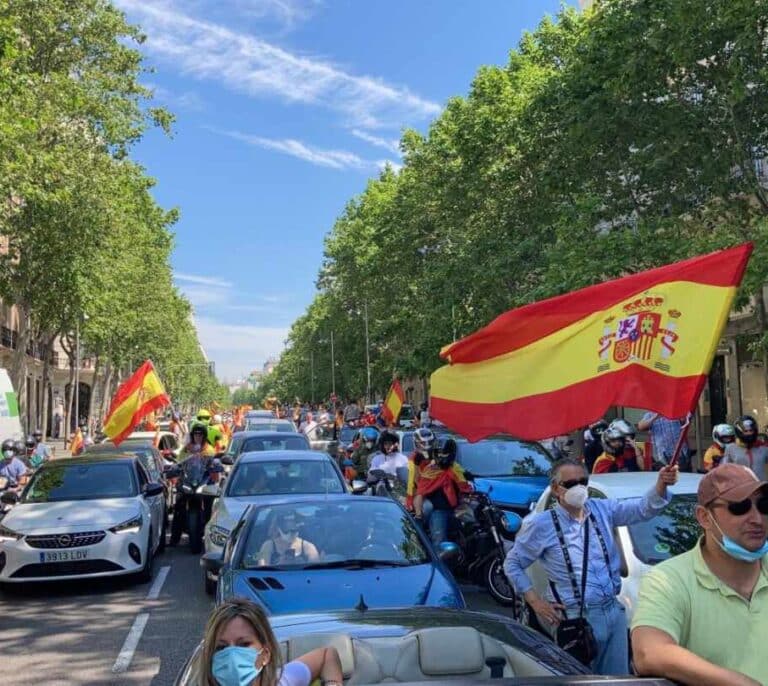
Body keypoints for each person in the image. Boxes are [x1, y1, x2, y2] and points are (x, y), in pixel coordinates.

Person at [504, 457, 678, 674]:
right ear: (556, 488)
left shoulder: (603, 509)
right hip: (577, 617)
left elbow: (643, 509)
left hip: (613, 611)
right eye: (570, 484)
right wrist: (535, 602)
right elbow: (512, 563)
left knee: (617, 679)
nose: (578, 488)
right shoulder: (541, 525)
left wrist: (661, 484)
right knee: (580, 678)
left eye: (582, 481)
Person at [631, 464, 768, 686]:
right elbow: (649, 652)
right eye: (740, 507)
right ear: (704, 517)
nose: (757, 519)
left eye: (764, 505)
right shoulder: (669, 580)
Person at [199, 598, 343, 686]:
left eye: (243, 645)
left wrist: (333, 684)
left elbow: (327, 655)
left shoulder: (283, 680)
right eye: (221, 647)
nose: (232, 655)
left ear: (265, 654)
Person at [414, 437, 472, 546]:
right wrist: (418, 514)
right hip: (439, 511)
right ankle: (440, 561)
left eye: (444, 453)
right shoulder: (430, 470)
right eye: (438, 453)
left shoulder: (456, 468)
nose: (440, 456)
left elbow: (466, 487)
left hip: (458, 509)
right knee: (440, 542)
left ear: (451, 454)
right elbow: (420, 494)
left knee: (475, 529)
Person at [169, 424, 220, 546]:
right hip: (188, 482)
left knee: (212, 505)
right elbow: (178, 462)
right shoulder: (187, 448)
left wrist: (215, 467)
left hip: (204, 483)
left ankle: (213, 535)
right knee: (179, 505)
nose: (198, 437)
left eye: (200, 434)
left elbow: (214, 465)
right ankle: (174, 538)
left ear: (204, 436)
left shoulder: (209, 449)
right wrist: (174, 468)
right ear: (192, 436)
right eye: (196, 434)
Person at [255, 512, 320, 567]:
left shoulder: (309, 547)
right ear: (278, 528)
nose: (290, 533)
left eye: (294, 530)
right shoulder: (266, 545)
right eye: (286, 529)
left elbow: (316, 572)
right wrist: (279, 565)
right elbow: (260, 568)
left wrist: (302, 565)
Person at [722, 415, 768, 479]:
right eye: (746, 431)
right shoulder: (730, 448)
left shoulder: (763, 447)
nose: (749, 433)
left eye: (751, 430)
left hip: (760, 485)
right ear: (739, 432)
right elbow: (723, 469)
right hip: (741, 486)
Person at [406, 427, 436, 512]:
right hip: (421, 494)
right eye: (423, 443)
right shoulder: (413, 459)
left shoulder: (438, 455)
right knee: (427, 508)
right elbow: (413, 482)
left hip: (439, 493)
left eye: (430, 442)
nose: (427, 445)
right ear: (416, 443)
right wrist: (410, 502)